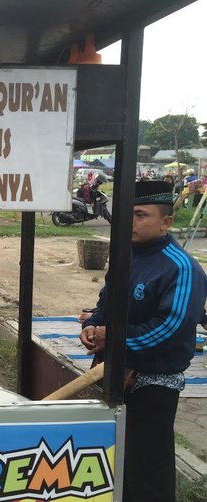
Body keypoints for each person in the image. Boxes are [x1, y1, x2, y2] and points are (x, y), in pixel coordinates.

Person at [79, 181, 207, 502]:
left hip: (152, 385)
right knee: (109, 460)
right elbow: (106, 301)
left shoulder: (182, 268)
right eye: (127, 215)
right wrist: (94, 325)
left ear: (166, 222)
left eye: (140, 215)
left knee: (147, 473)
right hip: (110, 373)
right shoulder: (125, 255)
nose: (130, 223)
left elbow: (170, 330)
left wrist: (113, 338)